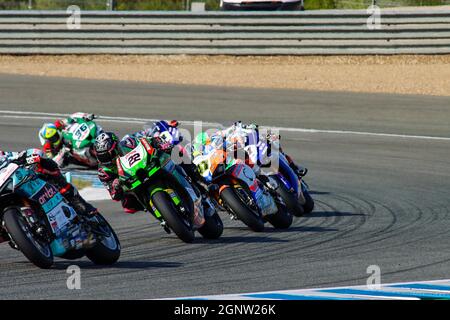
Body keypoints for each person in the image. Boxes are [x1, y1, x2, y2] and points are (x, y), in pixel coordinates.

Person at [0, 148, 97, 217]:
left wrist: (30, 156)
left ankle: (76, 201)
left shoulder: (2, 156)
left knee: (45, 164)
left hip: (16, 181)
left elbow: (19, 154)